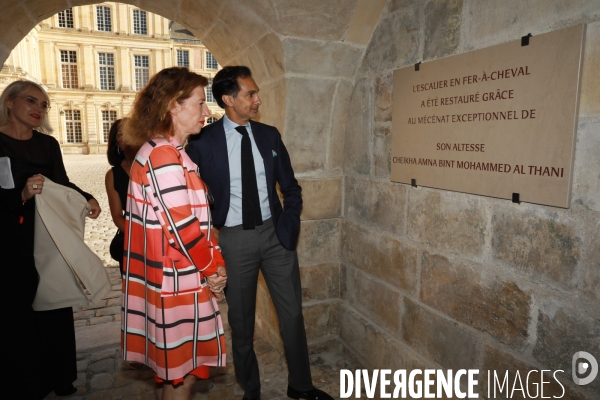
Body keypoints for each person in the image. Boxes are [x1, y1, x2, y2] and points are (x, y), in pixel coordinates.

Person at [187, 66, 334, 400]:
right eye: (250, 94)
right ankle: (250, 390)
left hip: (275, 237)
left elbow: (291, 187)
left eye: (256, 93)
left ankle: (301, 386)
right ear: (228, 99)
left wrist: (289, 224)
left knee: (293, 315)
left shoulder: (269, 135)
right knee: (241, 323)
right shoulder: (202, 143)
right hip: (234, 239)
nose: (258, 100)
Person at [120, 67, 227, 400]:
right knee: (182, 377)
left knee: (175, 377)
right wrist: (213, 268)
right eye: (199, 102)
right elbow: (182, 227)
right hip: (176, 282)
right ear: (172, 106)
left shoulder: (166, 151)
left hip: (173, 279)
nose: (207, 111)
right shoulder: (163, 156)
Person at [0, 79, 101, 398]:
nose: (38, 109)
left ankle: (60, 376)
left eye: (43, 105)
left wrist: (87, 196)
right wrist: (22, 194)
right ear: (9, 103)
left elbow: (62, 181)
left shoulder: (48, 144)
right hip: (10, 237)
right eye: (31, 101)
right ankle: (26, 381)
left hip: (48, 233)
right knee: (17, 309)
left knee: (54, 301)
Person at [104, 118, 138, 275]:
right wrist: (139, 238)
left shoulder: (155, 163)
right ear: (116, 143)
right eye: (120, 134)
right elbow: (117, 216)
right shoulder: (113, 175)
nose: (127, 137)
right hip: (133, 240)